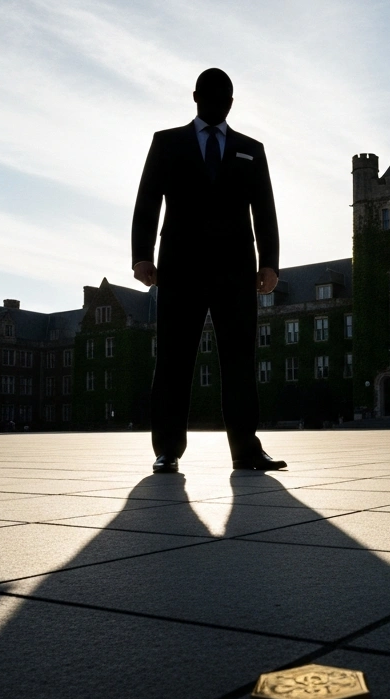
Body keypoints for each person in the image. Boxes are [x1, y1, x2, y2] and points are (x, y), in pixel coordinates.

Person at [131, 67, 288, 474]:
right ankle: (167, 450)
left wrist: (270, 263)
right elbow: (147, 200)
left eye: (224, 99)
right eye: (210, 96)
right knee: (174, 358)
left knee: (240, 359)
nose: (217, 104)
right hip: (180, 266)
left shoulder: (251, 149)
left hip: (236, 268)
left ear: (231, 103)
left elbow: (265, 210)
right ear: (195, 97)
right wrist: (141, 255)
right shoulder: (167, 142)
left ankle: (246, 450)